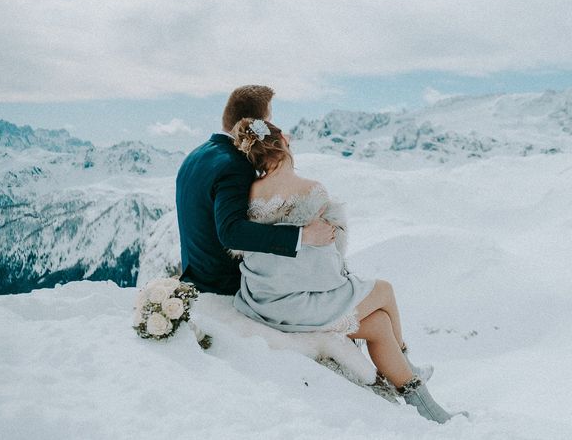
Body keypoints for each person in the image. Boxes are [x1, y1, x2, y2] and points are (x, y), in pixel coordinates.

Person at [228, 116, 467, 424]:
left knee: (379, 324)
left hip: (261, 301)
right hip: (295, 306)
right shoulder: (310, 190)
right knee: (384, 290)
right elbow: (324, 271)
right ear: (284, 145)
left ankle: (425, 406)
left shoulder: (249, 193)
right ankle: (408, 363)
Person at [175, 85, 336, 296]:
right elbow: (231, 232)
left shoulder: (196, 155)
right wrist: (302, 236)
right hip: (224, 285)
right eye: (270, 118)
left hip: (196, 276)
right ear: (255, 124)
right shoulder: (234, 163)